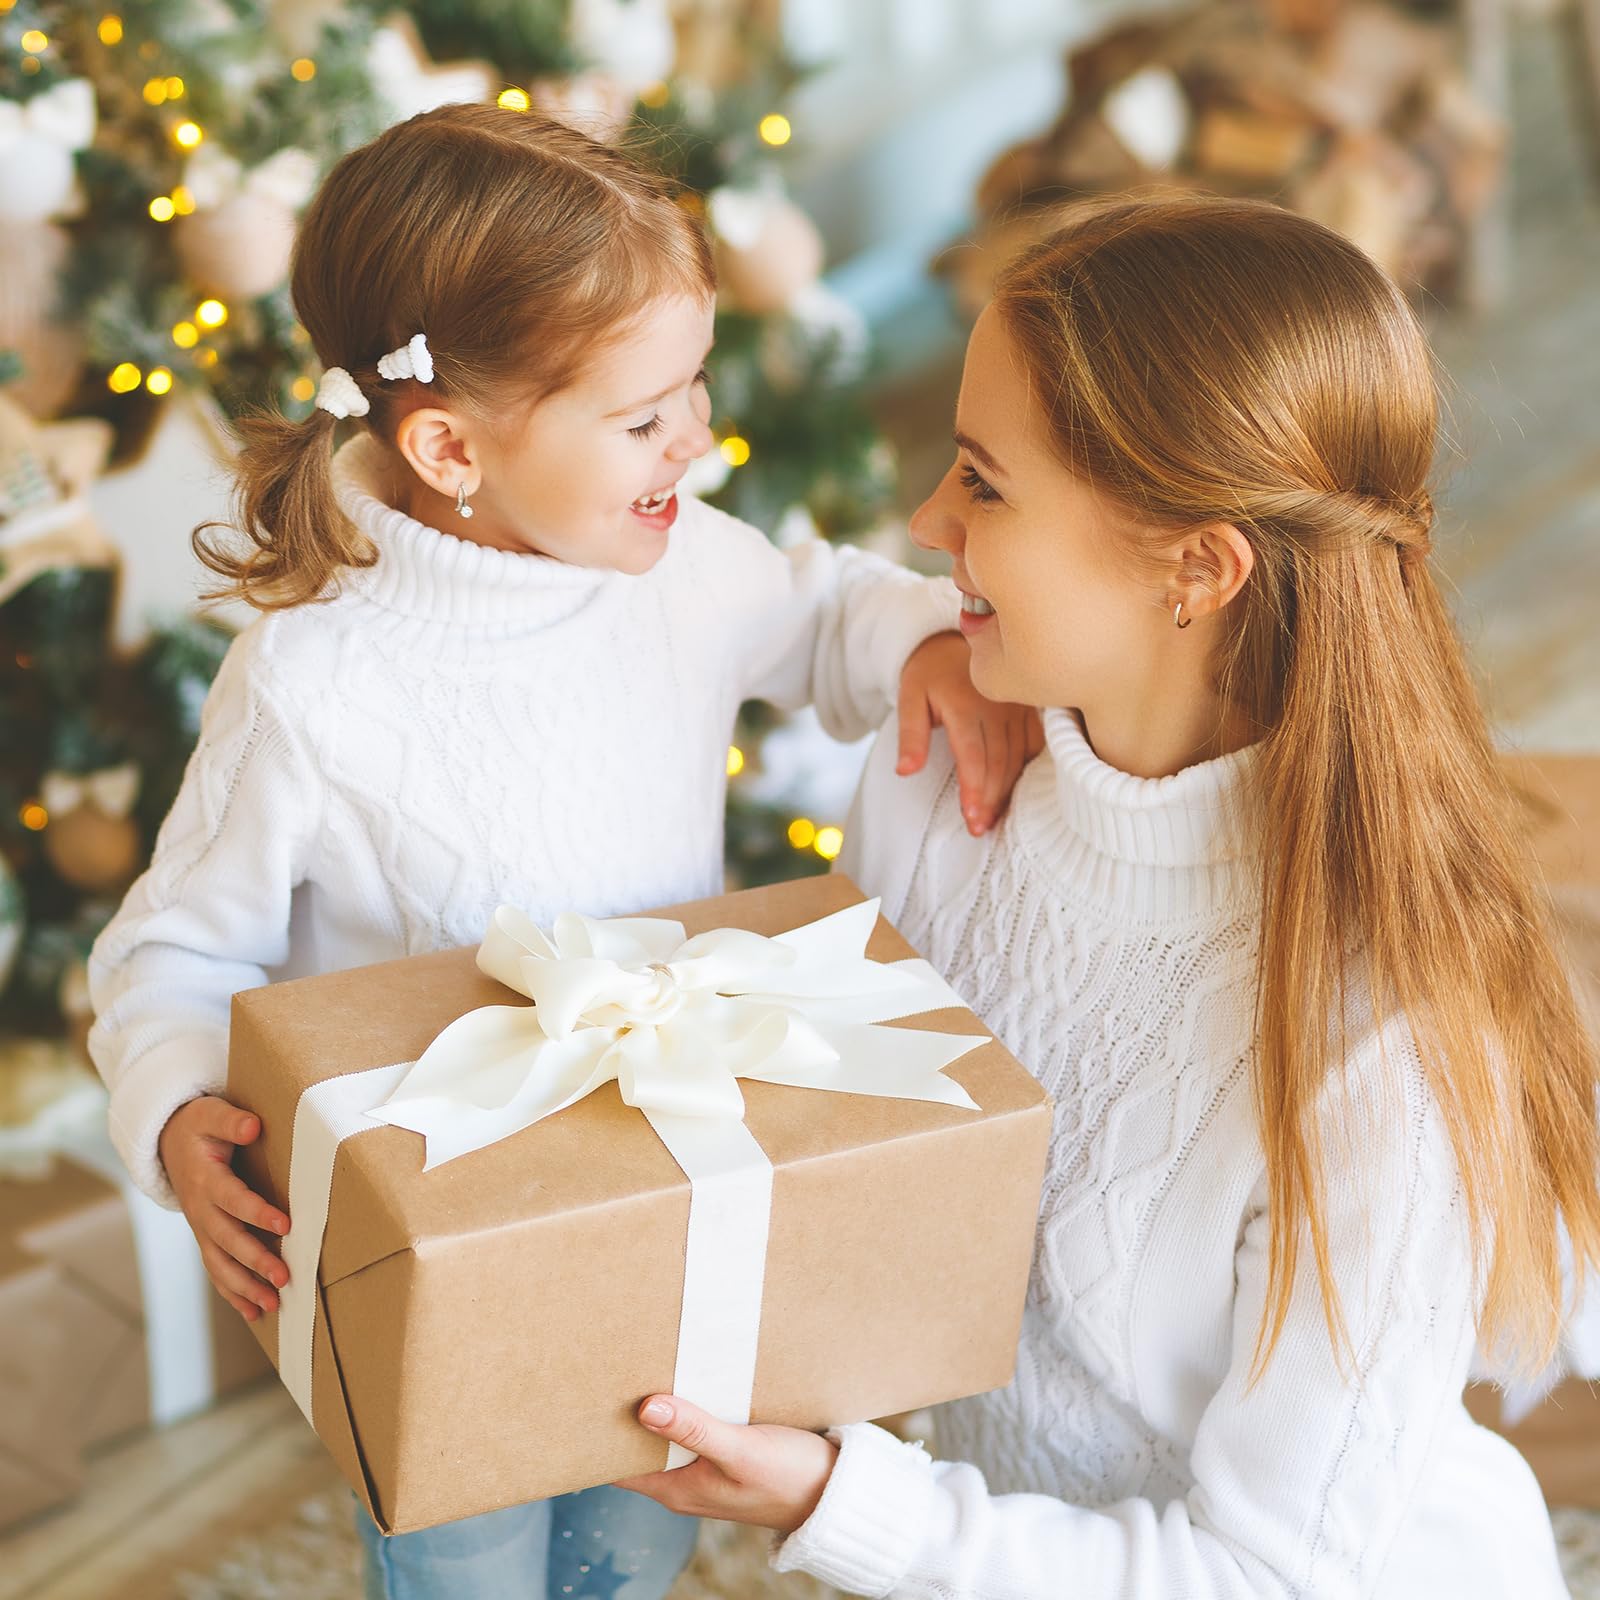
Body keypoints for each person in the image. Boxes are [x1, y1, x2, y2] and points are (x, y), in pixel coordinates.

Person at [86, 104, 1037, 1600]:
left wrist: (919, 640)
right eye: (645, 419)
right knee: (461, 1556)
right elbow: (173, 949)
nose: (697, 441)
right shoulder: (313, 685)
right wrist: (173, 1105)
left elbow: (820, 607)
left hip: (663, 1188)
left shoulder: (679, 564)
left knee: (640, 1529)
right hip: (444, 1241)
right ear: (449, 447)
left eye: (695, 389)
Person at [617, 195, 1600, 1599]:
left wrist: (849, 1506)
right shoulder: (947, 779)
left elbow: (1267, 1575)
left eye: (984, 483)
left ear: (1196, 567)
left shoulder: (1382, 1047)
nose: (927, 519)